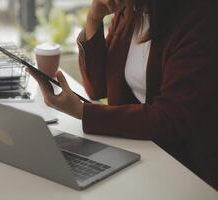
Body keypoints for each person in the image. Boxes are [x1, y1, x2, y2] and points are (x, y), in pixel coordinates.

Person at [27, 0, 218, 190]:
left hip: (187, 169)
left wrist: (84, 112)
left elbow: (170, 119)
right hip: (141, 150)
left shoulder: (199, 19)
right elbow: (97, 89)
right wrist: (94, 18)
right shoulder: (131, 10)